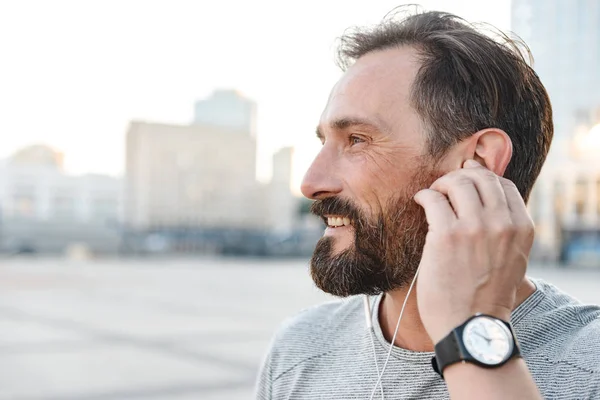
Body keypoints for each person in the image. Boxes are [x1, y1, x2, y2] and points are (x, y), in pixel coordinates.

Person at [256, 7, 600, 400]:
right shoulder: (298, 350)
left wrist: (472, 328)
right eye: (324, 143)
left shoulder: (590, 367)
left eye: (356, 140)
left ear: (478, 164)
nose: (310, 183)